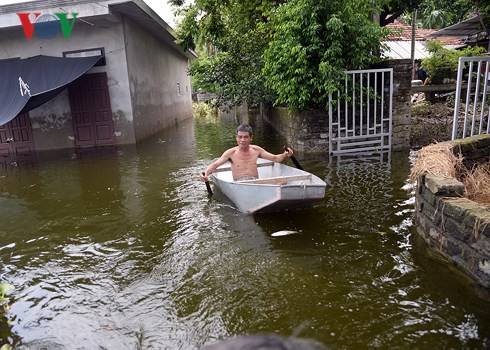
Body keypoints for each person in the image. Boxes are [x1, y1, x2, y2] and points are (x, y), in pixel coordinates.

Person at [200, 124, 294, 182]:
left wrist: (285, 154)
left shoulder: (256, 150)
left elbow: (275, 159)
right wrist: (206, 174)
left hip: (256, 182)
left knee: (283, 182)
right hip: (239, 183)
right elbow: (215, 164)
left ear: (251, 138)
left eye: (245, 137)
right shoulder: (231, 152)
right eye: (240, 137)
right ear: (236, 138)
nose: (242, 140)